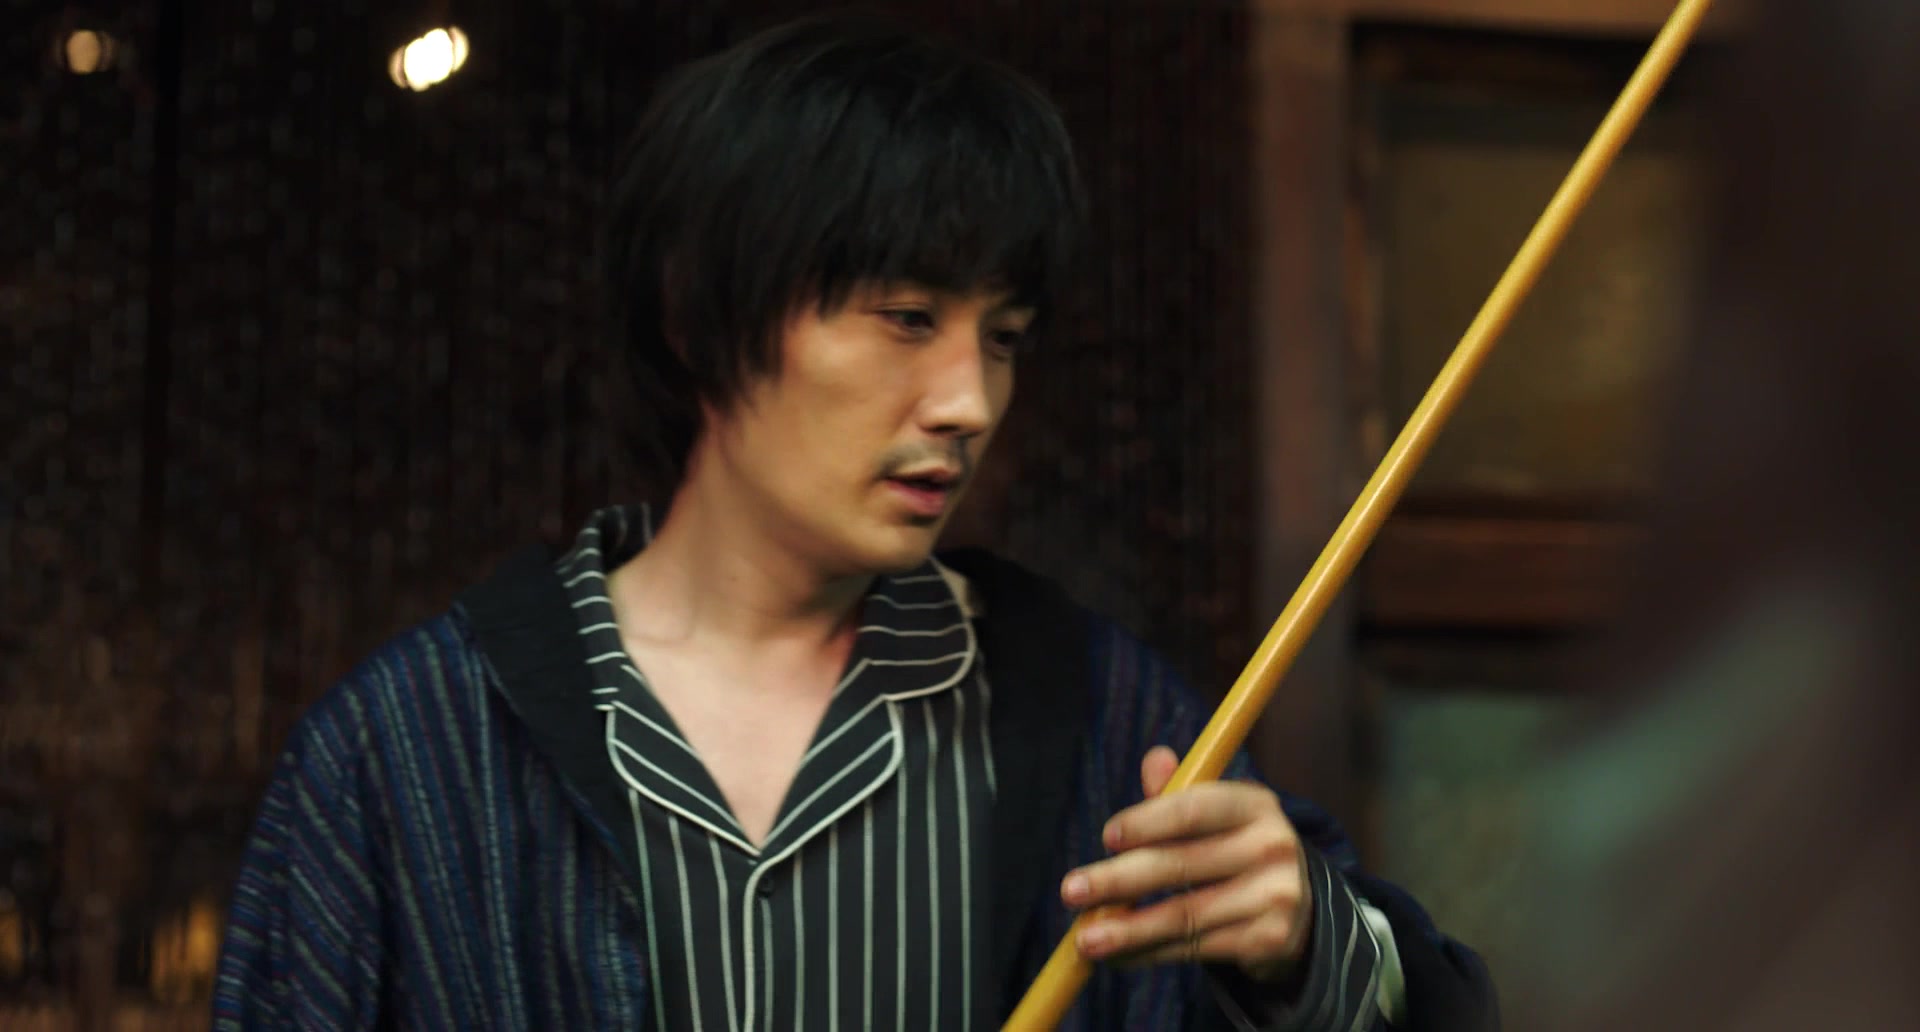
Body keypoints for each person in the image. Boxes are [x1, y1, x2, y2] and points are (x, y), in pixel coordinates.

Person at [211, 14, 1494, 1030]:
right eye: (906, 319)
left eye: (1004, 337)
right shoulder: (405, 751)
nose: (968, 401)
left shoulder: (1105, 722)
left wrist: (1307, 947)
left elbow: (1409, 1001)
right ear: (697, 312)